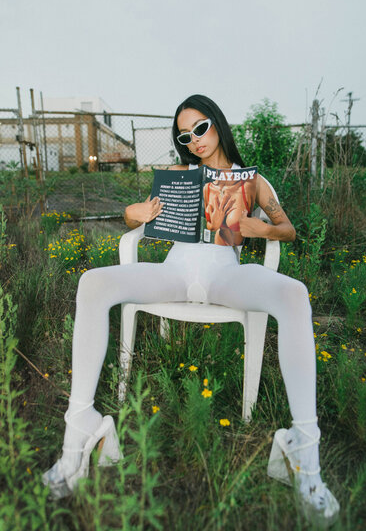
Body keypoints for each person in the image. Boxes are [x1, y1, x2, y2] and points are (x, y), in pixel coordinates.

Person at [43, 94, 339, 526]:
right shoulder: (179, 176)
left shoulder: (253, 181)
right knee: (93, 282)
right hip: (175, 271)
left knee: (295, 294)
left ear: (217, 124)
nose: (194, 140)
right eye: (185, 135)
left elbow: (288, 229)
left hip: (226, 277)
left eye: (201, 128)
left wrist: (263, 227)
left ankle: (303, 443)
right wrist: (133, 212)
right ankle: (81, 425)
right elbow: (136, 216)